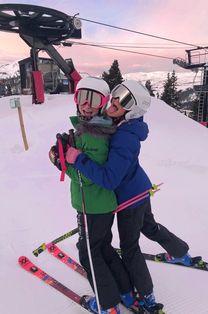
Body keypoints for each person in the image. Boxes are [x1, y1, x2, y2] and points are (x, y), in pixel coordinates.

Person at [66, 80, 169, 313]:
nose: (114, 103)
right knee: (115, 244)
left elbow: (108, 178)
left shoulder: (125, 136)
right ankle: (127, 290)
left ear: (133, 110)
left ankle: (144, 297)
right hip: (131, 193)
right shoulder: (120, 127)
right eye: (116, 95)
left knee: (128, 248)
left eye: (123, 101)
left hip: (128, 199)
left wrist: (75, 159)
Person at [49, 77, 144, 314]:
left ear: (102, 103)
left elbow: (88, 177)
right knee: (102, 247)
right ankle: (124, 290)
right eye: (82, 97)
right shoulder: (97, 127)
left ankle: (107, 304)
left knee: (88, 252)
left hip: (91, 204)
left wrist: (60, 162)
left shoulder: (95, 133)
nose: (86, 104)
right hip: (100, 204)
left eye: (94, 99)